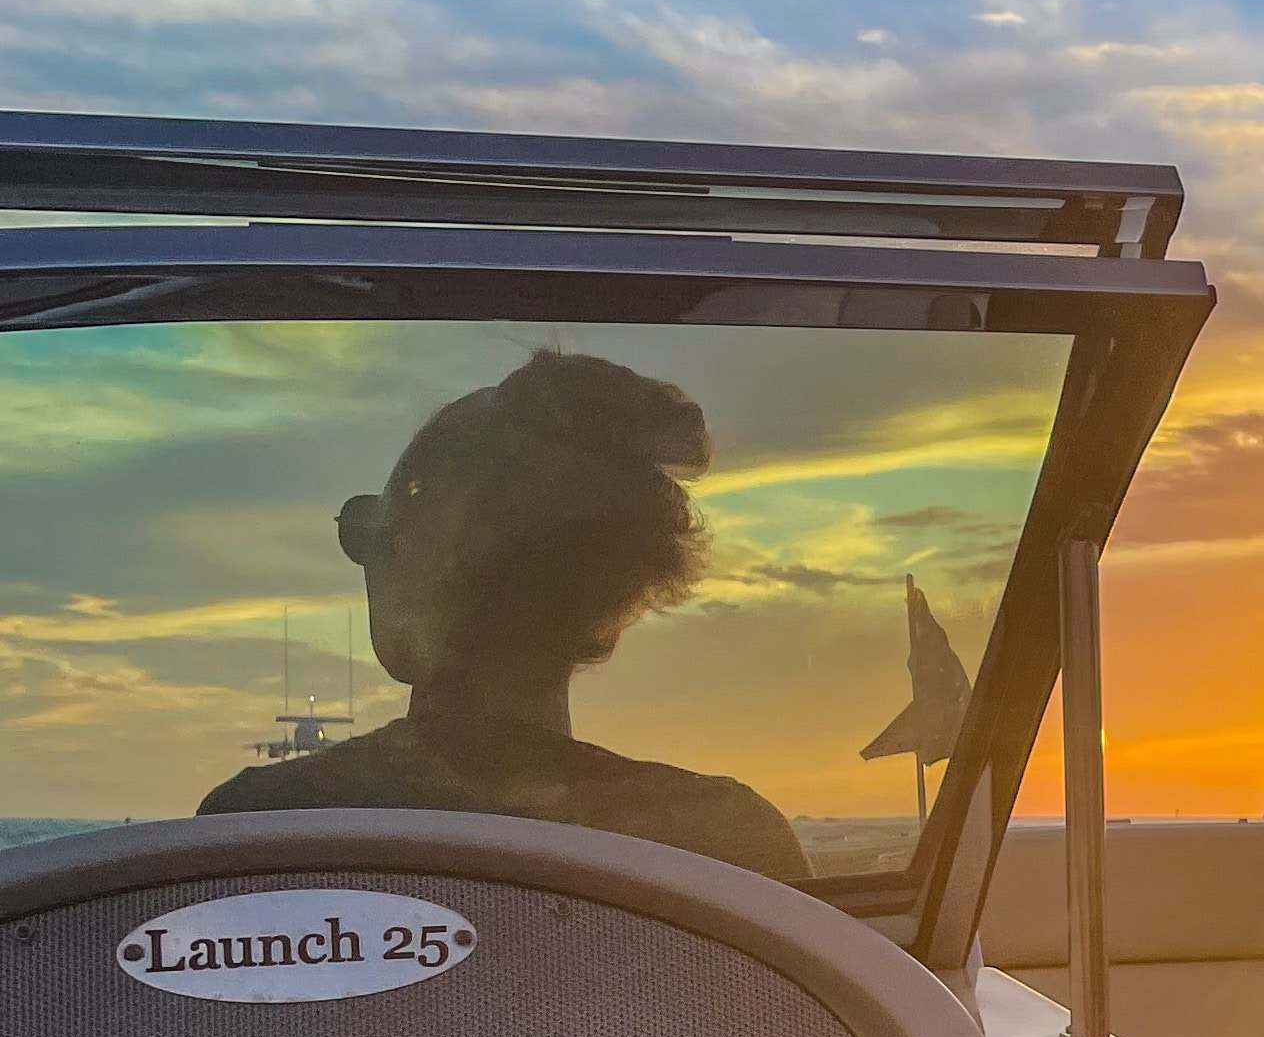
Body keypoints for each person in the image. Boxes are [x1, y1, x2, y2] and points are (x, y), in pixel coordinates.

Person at [202, 348, 810, 887]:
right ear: (617, 603)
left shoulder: (259, 829)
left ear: (413, 556)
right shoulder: (730, 844)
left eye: (371, 535)